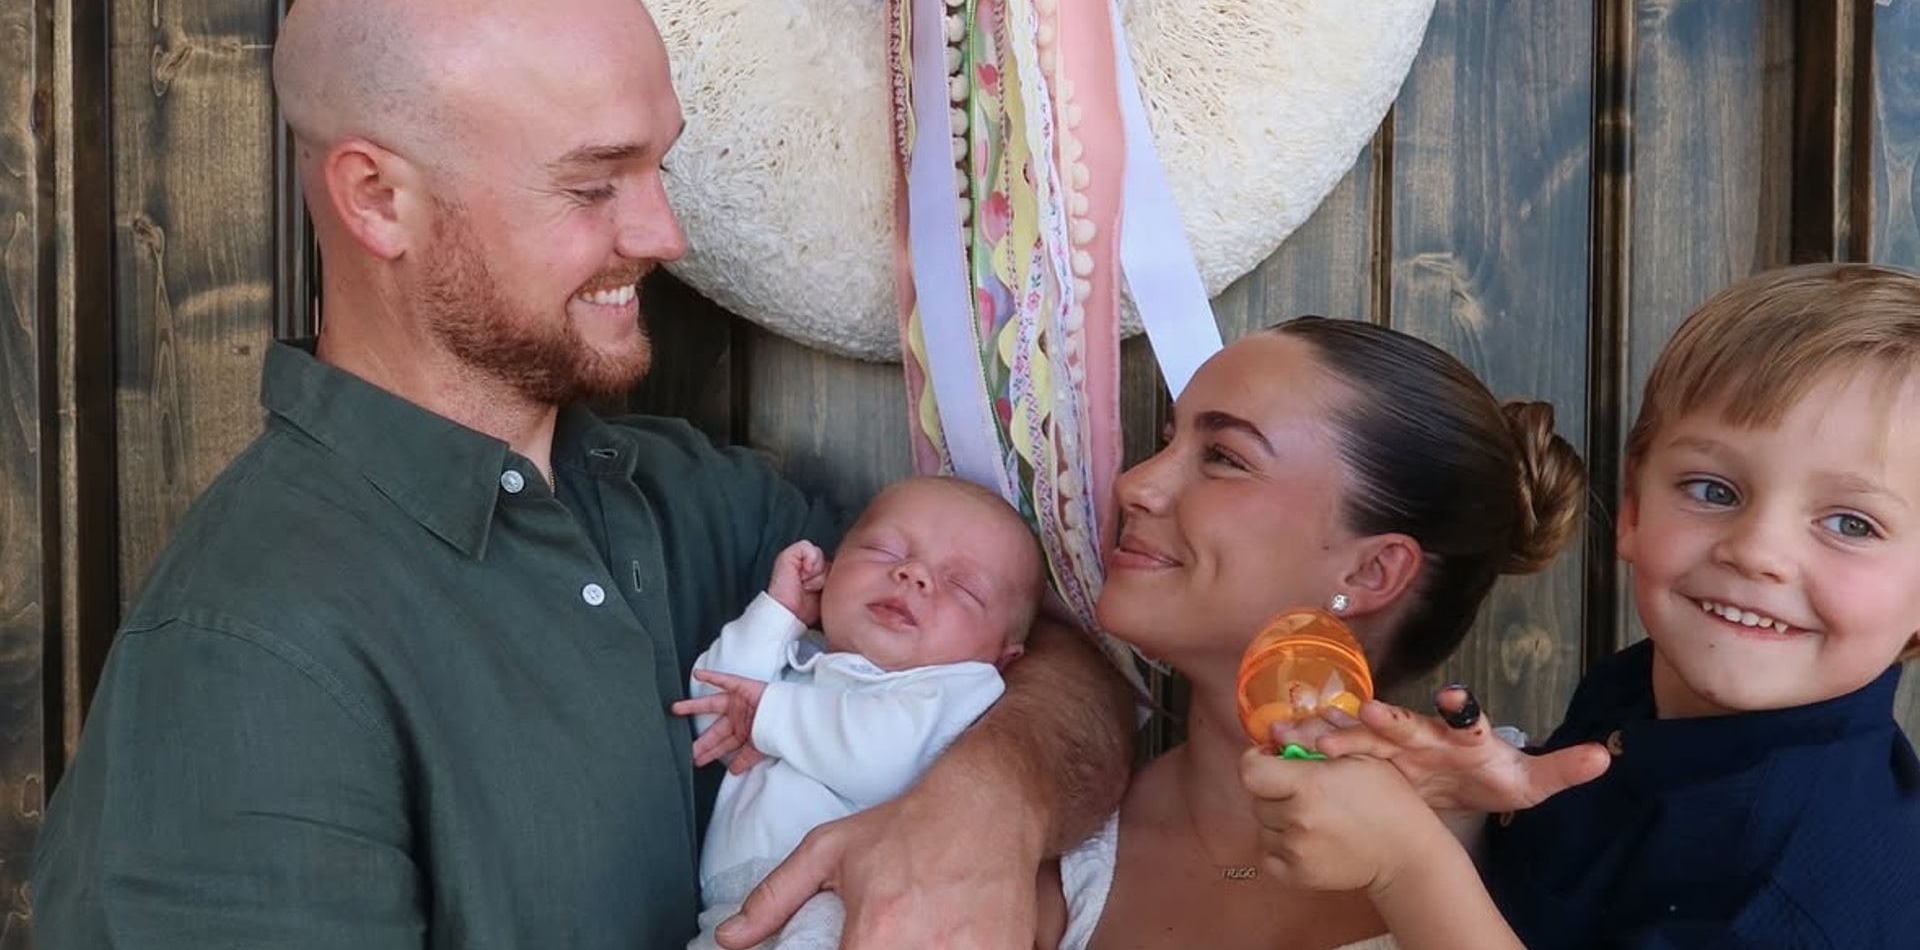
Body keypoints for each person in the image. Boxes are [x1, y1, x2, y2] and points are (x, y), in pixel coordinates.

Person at [29, 0, 1131, 950]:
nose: (663, 233)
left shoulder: (695, 499)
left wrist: (989, 804)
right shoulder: (248, 658)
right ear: (377, 200)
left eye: (659, 164)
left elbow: (1050, 663)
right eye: (594, 185)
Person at [1246, 263, 1920, 948]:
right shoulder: (1639, 693)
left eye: (1851, 525)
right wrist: (1465, 820)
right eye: (1713, 490)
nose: (1756, 552)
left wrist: (1408, 862)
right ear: (1631, 505)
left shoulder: (1805, 900)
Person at [1033, 316, 1598, 950]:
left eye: (1222, 458)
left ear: (1370, 570)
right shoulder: (1058, 853)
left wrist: (1409, 866)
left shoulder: (1533, 831)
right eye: (1169, 442)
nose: (1133, 485)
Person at [675, 476, 1044, 948]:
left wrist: (768, 714)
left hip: (845, 906)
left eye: (963, 586)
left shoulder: (956, 691)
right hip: (732, 912)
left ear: (1002, 656)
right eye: (885, 552)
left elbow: (879, 758)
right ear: (832, 567)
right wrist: (779, 613)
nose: (914, 574)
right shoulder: (802, 665)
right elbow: (717, 716)